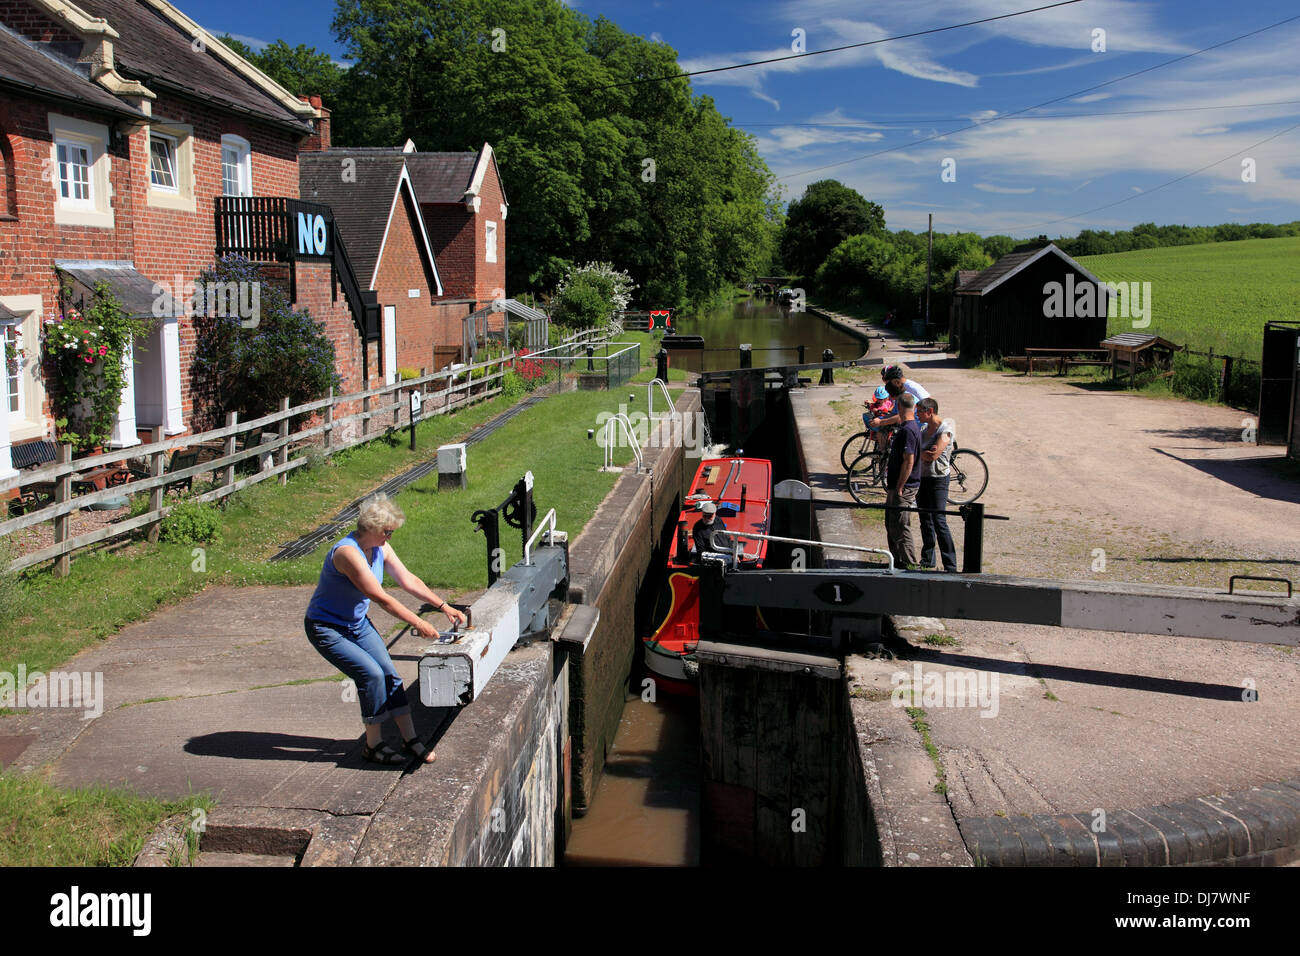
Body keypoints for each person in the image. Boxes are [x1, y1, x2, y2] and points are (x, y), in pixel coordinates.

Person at [304, 493, 468, 765]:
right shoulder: (347, 553)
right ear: (372, 528)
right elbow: (381, 598)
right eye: (387, 532)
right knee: (371, 676)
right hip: (327, 628)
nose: (390, 537)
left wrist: (443, 606)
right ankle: (373, 746)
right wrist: (418, 622)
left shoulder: (380, 548)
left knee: (390, 676)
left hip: (356, 624)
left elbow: (408, 580)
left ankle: (410, 740)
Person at [916, 397, 957, 573]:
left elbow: (933, 456)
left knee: (939, 520)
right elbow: (925, 453)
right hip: (923, 477)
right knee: (925, 519)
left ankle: (950, 565)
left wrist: (919, 453)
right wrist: (923, 452)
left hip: (938, 479)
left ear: (929, 411)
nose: (917, 415)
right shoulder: (924, 428)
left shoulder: (945, 430)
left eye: (920, 412)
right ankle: (928, 559)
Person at [884, 392, 923, 569]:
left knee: (900, 525)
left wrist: (899, 487)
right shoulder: (910, 426)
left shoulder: (908, 430)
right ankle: (896, 560)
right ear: (914, 407)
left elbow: (909, 461)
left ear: (899, 407)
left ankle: (909, 563)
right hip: (897, 485)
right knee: (891, 523)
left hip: (903, 486)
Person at [868, 365, 930, 431]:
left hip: (919, 426)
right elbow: (894, 414)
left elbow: (902, 416)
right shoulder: (899, 397)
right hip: (911, 425)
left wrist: (881, 422)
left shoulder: (906, 395)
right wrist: (880, 418)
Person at [861, 385, 895, 452]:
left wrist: (887, 411)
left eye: (881, 399)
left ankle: (883, 449)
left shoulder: (889, 403)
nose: (879, 400)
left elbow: (891, 408)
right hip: (878, 421)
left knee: (882, 433)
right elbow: (873, 406)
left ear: (886, 398)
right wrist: (871, 405)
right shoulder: (876, 404)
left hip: (884, 421)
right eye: (878, 398)